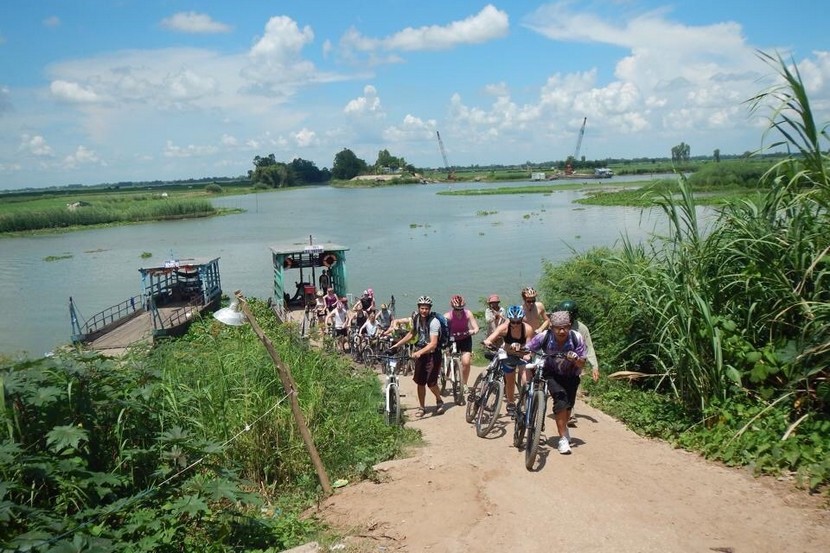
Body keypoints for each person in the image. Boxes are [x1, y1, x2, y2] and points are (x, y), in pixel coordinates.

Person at [525, 310, 589, 455]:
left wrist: (576, 359)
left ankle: (564, 429)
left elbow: (582, 363)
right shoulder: (544, 336)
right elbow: (529, 349)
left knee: (568, 407)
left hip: (571, 375)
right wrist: (524, 352)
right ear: (551, 327)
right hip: (551, 374)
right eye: (558, 328)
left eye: (565, 327)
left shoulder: (576, 338)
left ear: (570, 326)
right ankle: (563, 440)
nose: (562, 331)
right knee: (560, 401)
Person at [389, 296, 445, 417]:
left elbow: (433, 344)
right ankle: (422, 407)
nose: (424, 310)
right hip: (420, 352)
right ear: (418, 308)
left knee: (431, 383)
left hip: (433, 354)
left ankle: (439, 400)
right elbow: (411, 334)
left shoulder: (434, 322)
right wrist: (397, 345)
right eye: (422, 308)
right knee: (420, 382)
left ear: (430, 309)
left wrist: (419, 352)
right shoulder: (416, 318)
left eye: (426, 308)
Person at [482, 305, 534, 416]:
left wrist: (526, 354)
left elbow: (529, 347)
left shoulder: (528, 329)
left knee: (526, 380)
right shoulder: (504, 328)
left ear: (522, 319)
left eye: (518, 322)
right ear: (509, 320)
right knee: (510, 382)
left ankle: (526, 404)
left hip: (522, 356)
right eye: (513, 322)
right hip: (508, 355)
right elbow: (492, 337)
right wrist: (487, 341)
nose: (515, 324)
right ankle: (511, 403)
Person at [556, 299, 599, 427]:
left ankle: (570, 413)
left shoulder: (582, 329)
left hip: (575, 363)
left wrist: (594, 366)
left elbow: (589, 347)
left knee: (571, 389)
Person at [443, 294, 480, 393]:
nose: (459, 311)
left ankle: (464, 384)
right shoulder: (447, 316)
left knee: (466, 362)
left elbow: (475, 327)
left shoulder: (468, 314)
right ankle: (445, 373)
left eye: (461, 309)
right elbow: (442, 330)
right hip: (452, 339)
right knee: (449, 357)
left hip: (465, 338)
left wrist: (474, 331)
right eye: (457, 309)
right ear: (452, 307)